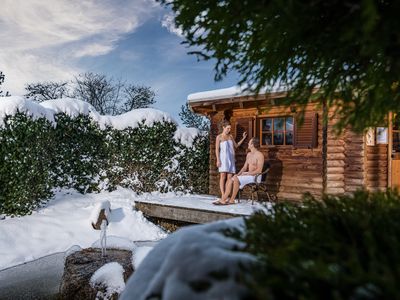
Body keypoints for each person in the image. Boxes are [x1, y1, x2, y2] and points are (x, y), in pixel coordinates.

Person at [213, 137, 264, 205]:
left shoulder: (260, 155)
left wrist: (247, 174)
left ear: (253, 144)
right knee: (232, 179)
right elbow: (244, 168)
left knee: (235, 179)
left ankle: (227, 199)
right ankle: (228, 199)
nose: (248, 144)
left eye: (249, 142)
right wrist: (238, 174)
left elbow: (259, 170)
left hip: (256, 177)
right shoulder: (249, 154)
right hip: (248, 175)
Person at [215, 120, 247, 199]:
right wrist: (218, 160)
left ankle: (226, 194)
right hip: (223, 159)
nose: (229, 130)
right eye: (228, 128)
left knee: (229, 178)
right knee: (223, 176)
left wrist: (243, 138)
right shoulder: (219, 137)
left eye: (230, 128)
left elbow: (236, 146)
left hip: (231, 159)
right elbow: (216, 149)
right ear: (223, 127)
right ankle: (223, 194)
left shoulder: (230, 136)